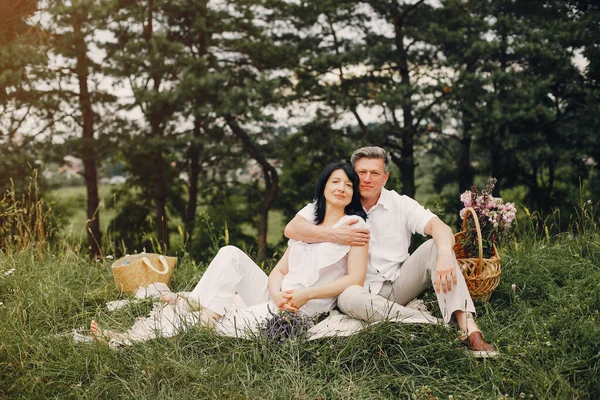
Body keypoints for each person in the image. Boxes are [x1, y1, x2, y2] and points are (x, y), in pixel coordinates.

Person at [91, 163, 369, 342]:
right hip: (275, 295)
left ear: (354, 192)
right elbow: (281, 269)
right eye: (335, 181)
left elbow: (354, 279)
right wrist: (273, 290)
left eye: (348, 184)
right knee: (230, 252)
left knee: (226, 324)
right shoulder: (309, 218)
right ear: (324, 186)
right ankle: (204, 314)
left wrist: (306, 294)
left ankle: (127, 339)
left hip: (301, 307)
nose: (342, 188)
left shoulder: (355, 226)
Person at [284, 146, 498, 357]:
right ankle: (431, 324)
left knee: (435, 245)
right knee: (349, 296)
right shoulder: (339, 199)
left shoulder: (401, 204)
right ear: (353, 175)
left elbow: (439, 227)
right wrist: (334, 235)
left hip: (399, 284)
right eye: (361, 173)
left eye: (374, 173)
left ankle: (468, 326)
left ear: (385, 178)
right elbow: (292, 229)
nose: (367, 178)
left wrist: (443, 254)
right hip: (356, 290)